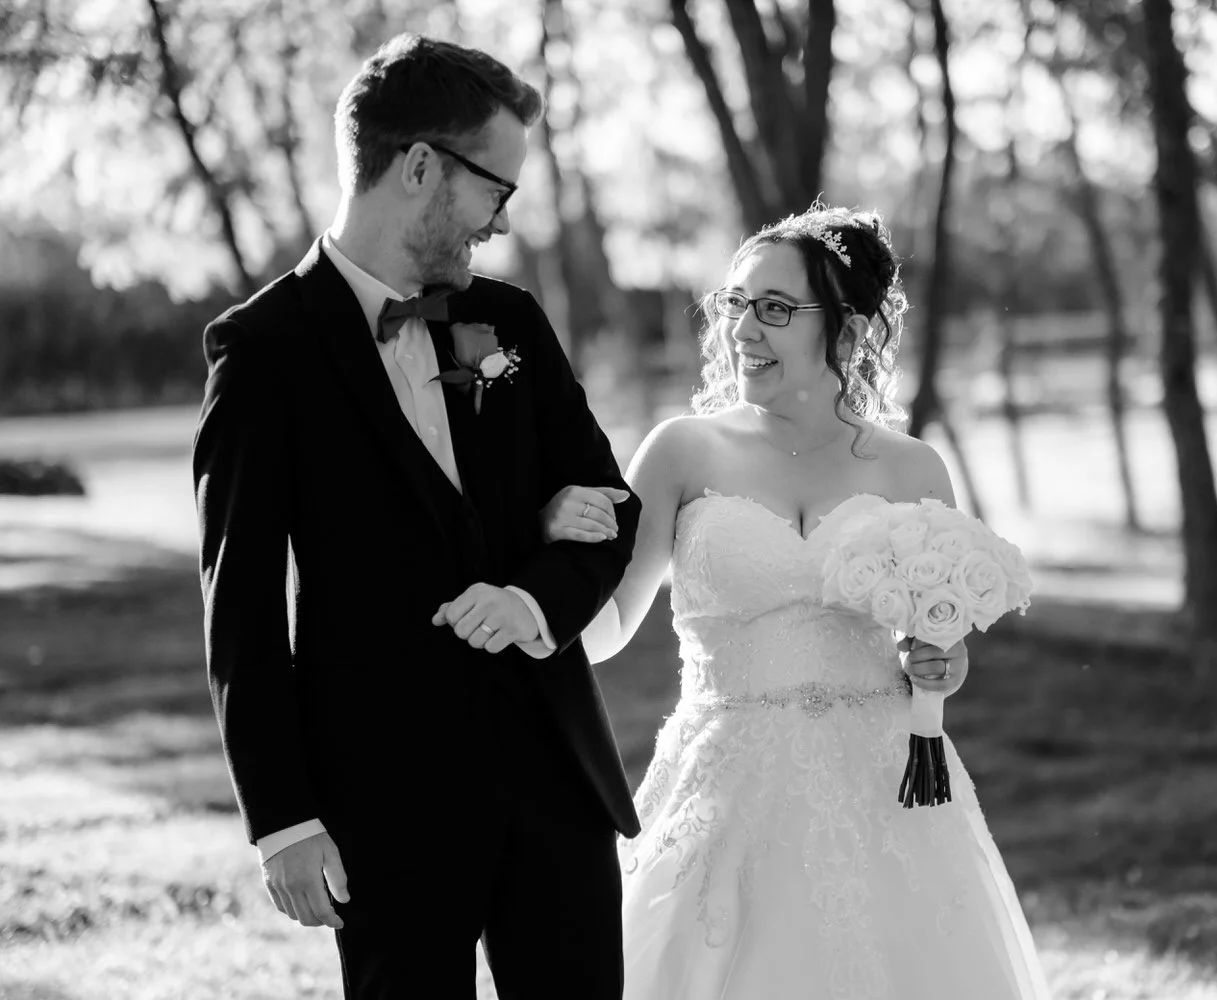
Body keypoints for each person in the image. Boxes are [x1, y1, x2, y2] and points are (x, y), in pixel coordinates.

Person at [192, 34, 639, 999]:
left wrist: (536, 601)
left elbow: (613, 501)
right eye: (495, 190)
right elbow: (242, 609)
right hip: (382, 801)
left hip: (555, 779)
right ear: (422, 167)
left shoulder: (508, 322)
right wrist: (283, 818)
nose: (500, 222)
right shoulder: (262, 354)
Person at [542, 205, 1052, 999]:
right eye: (735, 303)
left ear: (845, 329)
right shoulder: (681, 450)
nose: (744, 328)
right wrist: (538, 567)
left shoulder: (914, 470)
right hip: (724, 791)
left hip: (887, 793)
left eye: (775, 309)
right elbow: (604, 633)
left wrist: (941, 665)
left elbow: (934, 649)